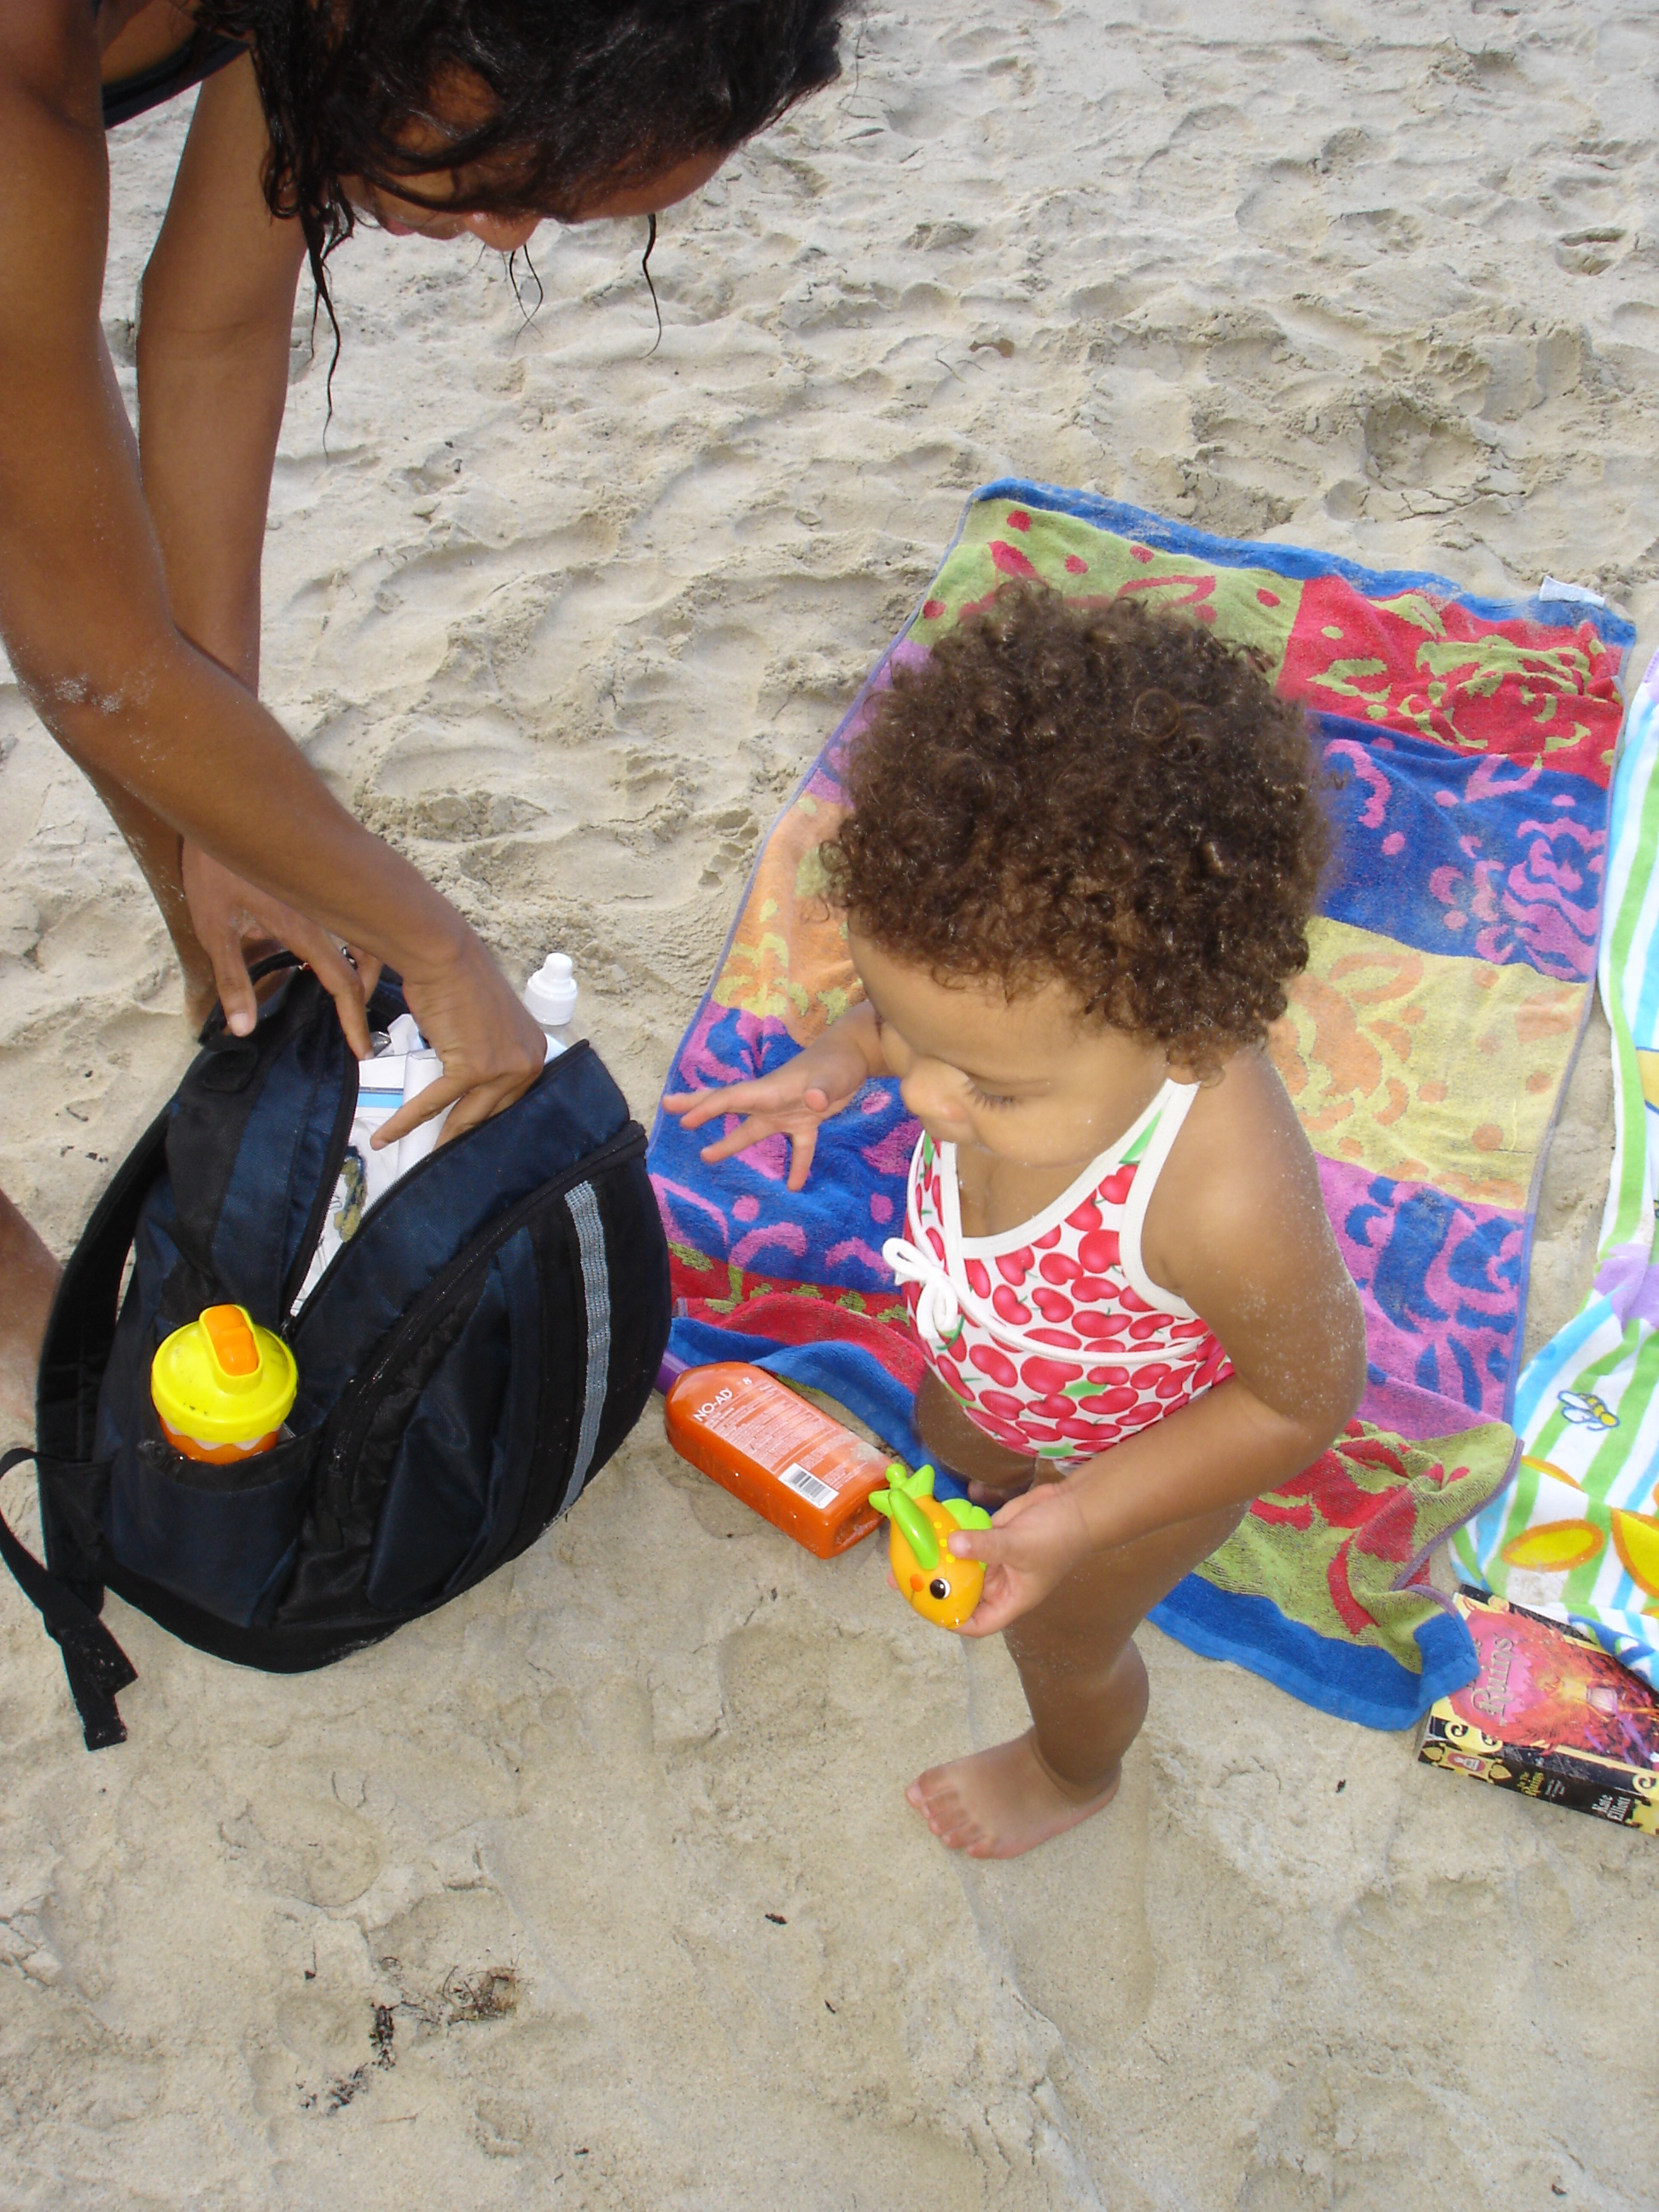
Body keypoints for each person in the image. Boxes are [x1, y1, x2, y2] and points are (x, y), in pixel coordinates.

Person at [0, 0, 847, 1425]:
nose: (509, 236)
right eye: (527, 173)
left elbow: (212, 330)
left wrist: (235, 816)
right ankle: (28, 1320)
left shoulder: (315, 21)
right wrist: (438, 951)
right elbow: (95, 657)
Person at [665, 585, 1368, 1858]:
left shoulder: (1222, 1191)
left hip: (1141, 1452)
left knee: (1059, 1633)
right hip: (1002, 1354)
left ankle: (1069, 1773)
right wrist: (840, 1058)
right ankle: (1003, 1458)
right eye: (909, 1031)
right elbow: (911, 1034)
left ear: (1182, 1031)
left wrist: (1085, 1514)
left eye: (988, 1088)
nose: (924, 1099)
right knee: (955, 1434)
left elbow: (1300, 1402)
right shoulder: (1000, 1016)